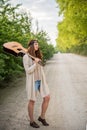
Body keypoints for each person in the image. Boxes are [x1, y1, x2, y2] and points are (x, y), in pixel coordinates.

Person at [23, 40, 50, 128]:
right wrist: (35, 63)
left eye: (38, 44)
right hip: (33, 82)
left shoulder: (37, 55)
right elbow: (28, 71)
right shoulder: (26, 57)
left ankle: (42, 117)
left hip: (40, 81)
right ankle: (31, 121)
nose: (37, 46)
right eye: (35, 44)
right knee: (32, 101)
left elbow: (41, 68)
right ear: (31, 46)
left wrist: (39, 61)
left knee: (47, 97)